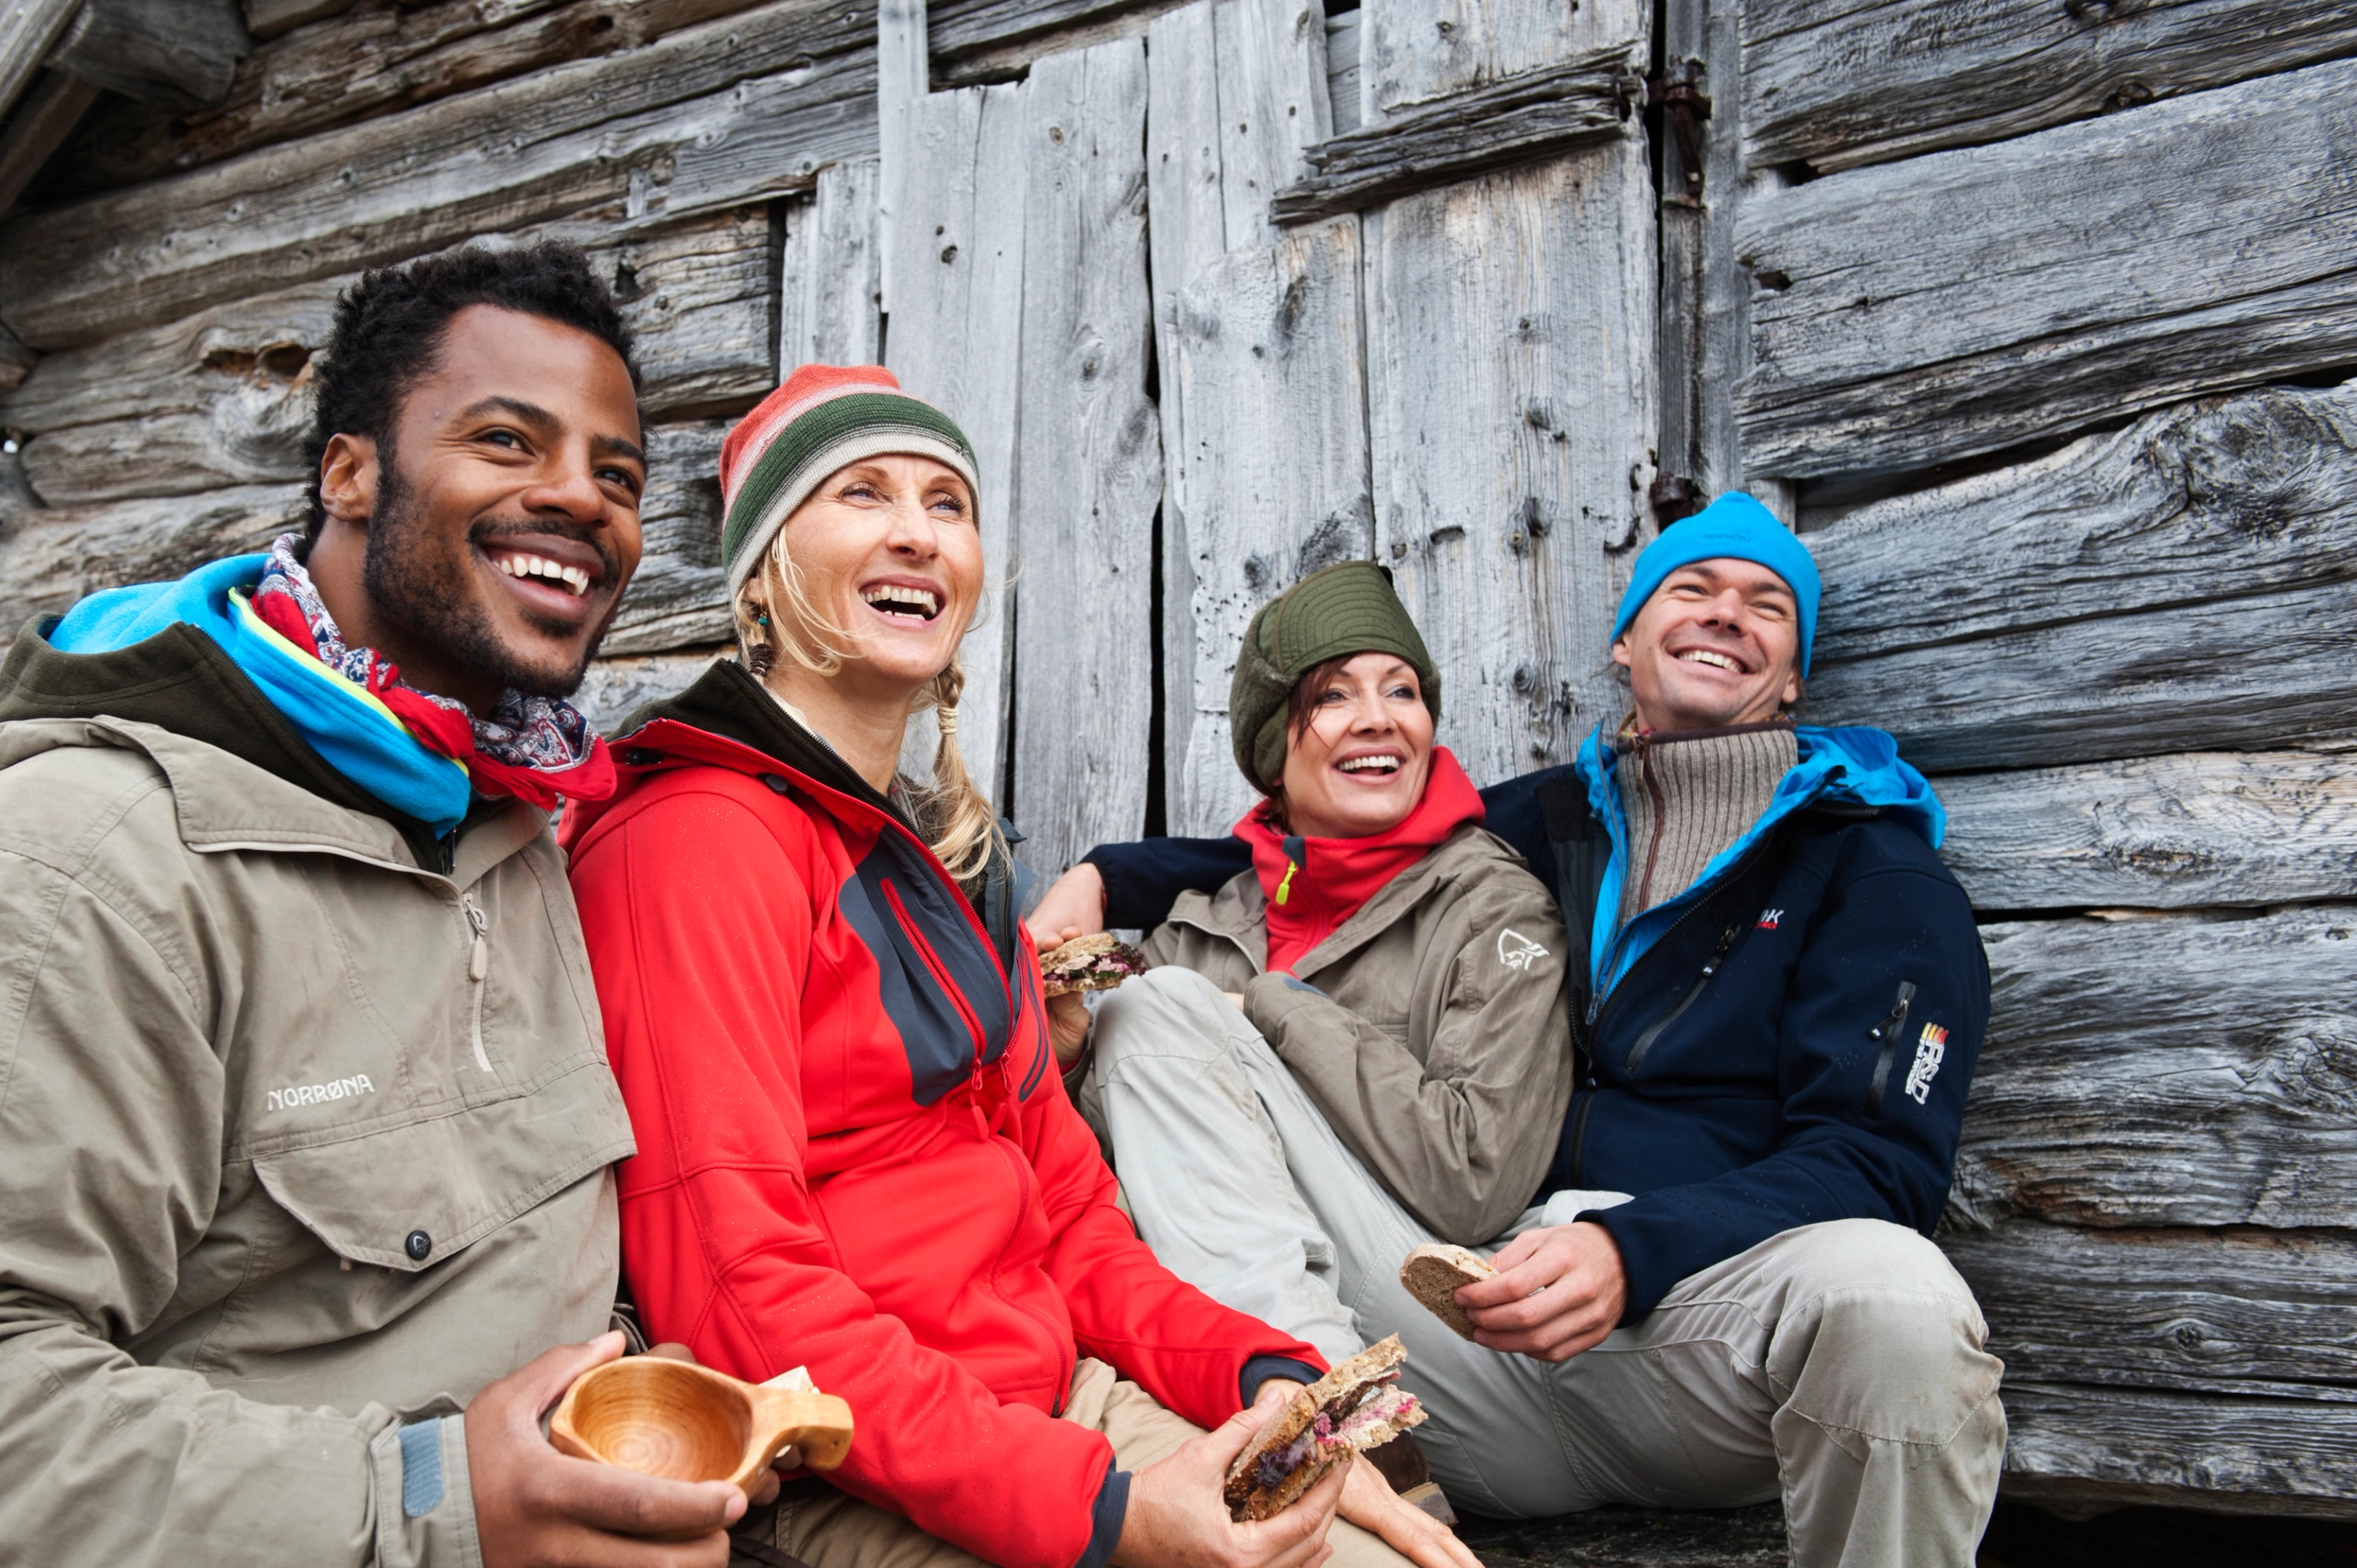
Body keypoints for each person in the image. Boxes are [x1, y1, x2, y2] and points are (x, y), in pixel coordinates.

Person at [0, 243, 769, 1568]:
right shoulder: (79, 861)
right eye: (506, 440)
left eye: (617, 474)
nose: (578, 500)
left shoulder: (505, 818)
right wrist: (442, 1509)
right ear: (349, 472)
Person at [560, 367, 1476, 1568]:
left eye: (949, 502)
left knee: (1395, 1548)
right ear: (764, 579)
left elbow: (1072, 1219)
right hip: (856, 1465)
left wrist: (1267, 1377)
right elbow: (740, 1291)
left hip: (1053, 1409)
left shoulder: (948, 873)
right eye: (861, 495)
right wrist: (1106, 1517)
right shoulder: (694, 841)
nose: (916, 532)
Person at [1042, 494, 2004, 1568]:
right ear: (1626, 642)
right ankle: (1334, 1456)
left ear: (1792, 676)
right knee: (1158, 1008)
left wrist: (1632, 1251)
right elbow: (1322, 835)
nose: (1727, 613)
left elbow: (1882, 1165)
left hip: (1702, 1338)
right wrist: (1104, 876)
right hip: (1469, 1327)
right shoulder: (1554, 820)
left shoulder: (1877, 877)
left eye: (1766, 606)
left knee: (1901, 1301)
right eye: (1692, 589)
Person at [1043, 560, 1580, 1399]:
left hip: (1426, 1330)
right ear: (1271, 747)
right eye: (1332, 696)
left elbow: (1473, 1179)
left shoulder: (1497, 910)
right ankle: (1295, 1405)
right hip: (1220, 1344)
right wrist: (1073, 1063)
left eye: (1402, 692)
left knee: (1159, 1010)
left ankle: (1321, 1410)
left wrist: (1270, 1008)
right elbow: (1110, 1191)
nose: (1378, 721)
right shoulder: (1199, 925)